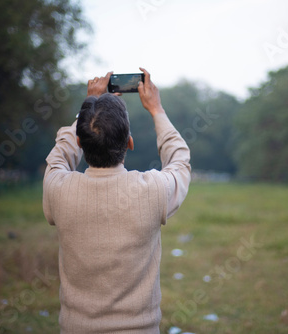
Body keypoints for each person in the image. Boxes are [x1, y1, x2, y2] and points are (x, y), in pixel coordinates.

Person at [42, 68, 191, 333]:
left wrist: (87, 108)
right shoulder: (153, 190)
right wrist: (157, 110)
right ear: (129, 142)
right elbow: (179, 159)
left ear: (79, 140)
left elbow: (60, 154)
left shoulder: (58, 189)